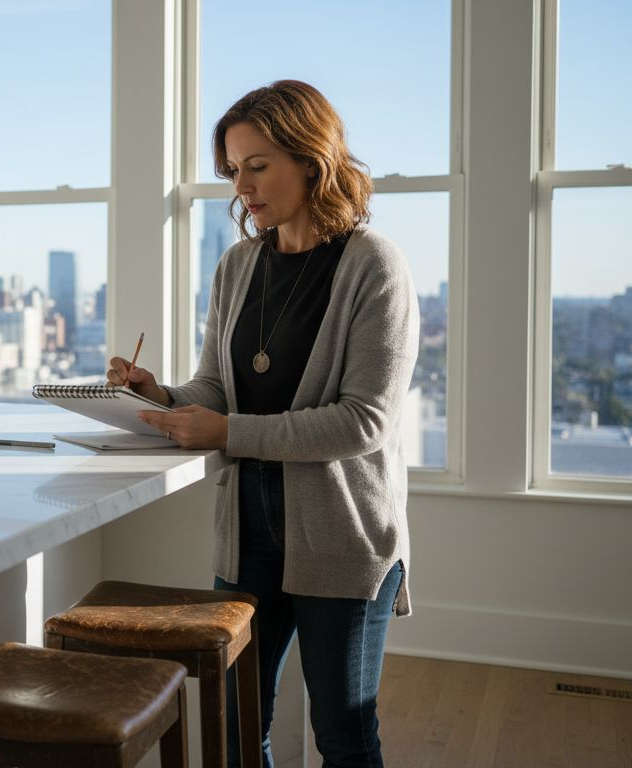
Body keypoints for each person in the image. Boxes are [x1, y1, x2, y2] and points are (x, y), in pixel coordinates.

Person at [108, 80, 419, 768]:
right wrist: (156, 390)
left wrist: (226, 433)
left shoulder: (375, 267)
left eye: (257, 165)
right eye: (232, 170)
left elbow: (363, 422)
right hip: (246, 535)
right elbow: (219, 388)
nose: (242, 187)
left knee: (343, 734)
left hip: (343, 541)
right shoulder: (238, 266)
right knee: (237, 724)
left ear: (312, 159)